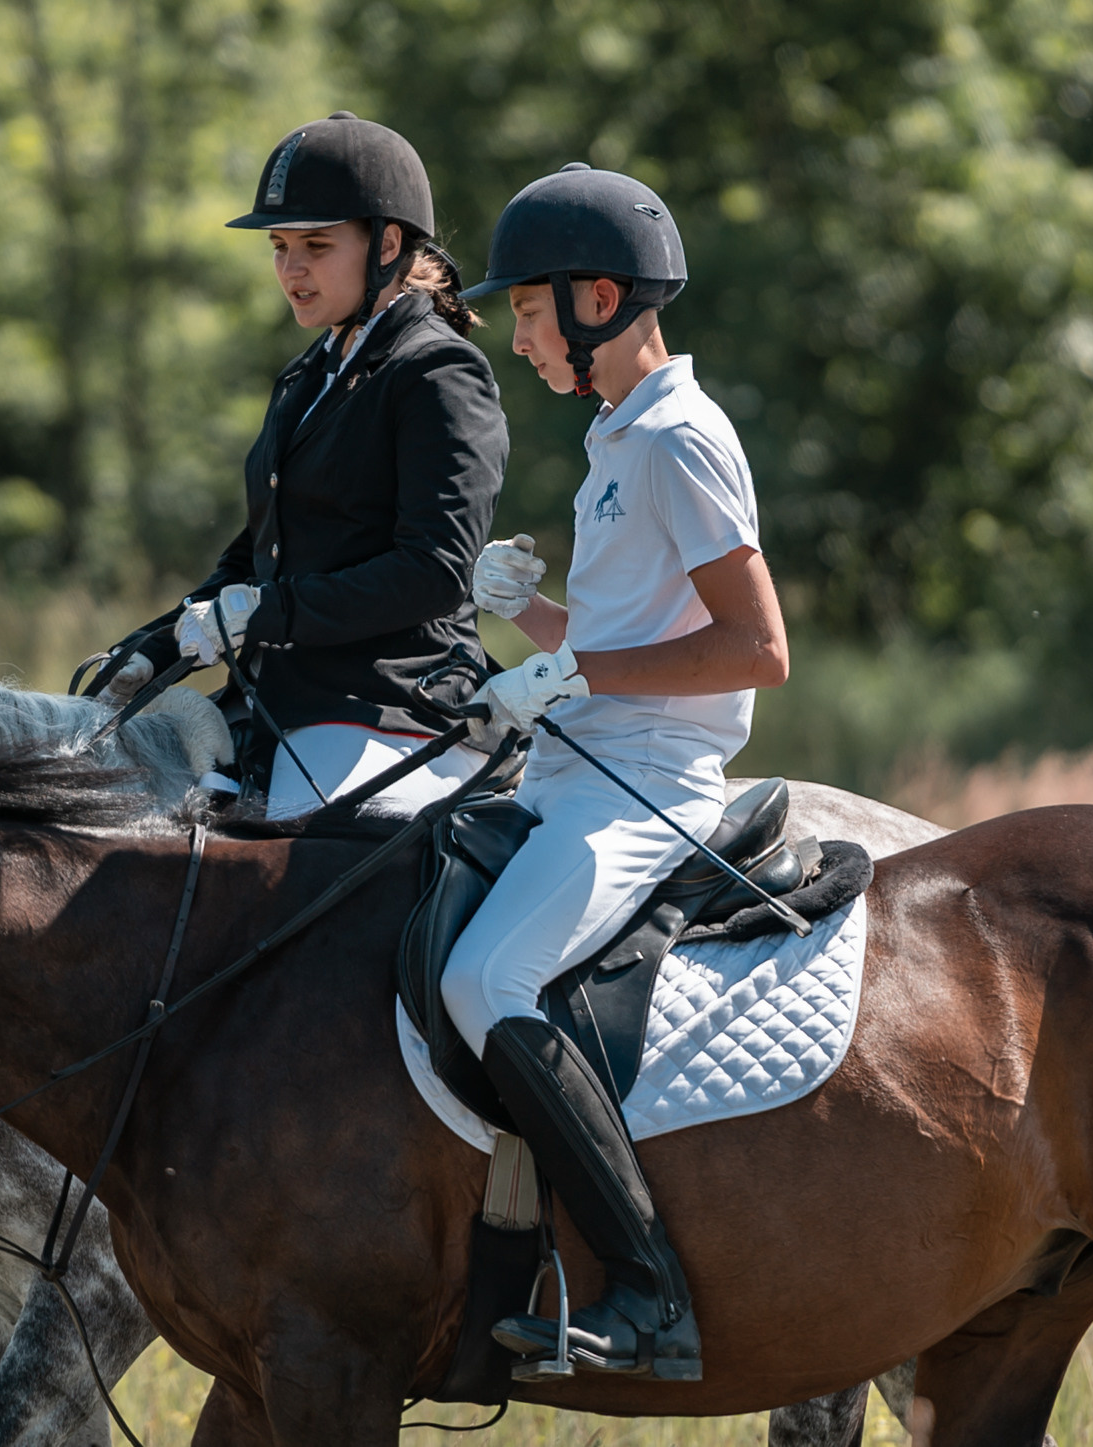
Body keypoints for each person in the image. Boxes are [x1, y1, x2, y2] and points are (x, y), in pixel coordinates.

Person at [440, 164, 791, 1382]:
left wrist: (572, 666)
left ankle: (646, 1289)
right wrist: (529, 615)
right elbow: (616, 644)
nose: (518, 336)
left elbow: (757, 648)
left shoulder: (679, 440)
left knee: (490, 977)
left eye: (529, 312)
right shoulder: (618, 437)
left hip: (647, 786)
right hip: (576, 764)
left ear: (598, 298)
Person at [88, 113, 507, 818]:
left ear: (388, 244)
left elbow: (435, 571)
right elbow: (259, 552)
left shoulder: (438, 372)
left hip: (386, 705)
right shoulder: (308, 373)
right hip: (272, 702)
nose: (291, 269)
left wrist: (265, 613)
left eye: (316, 245)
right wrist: (158, 645)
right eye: (280, 247)